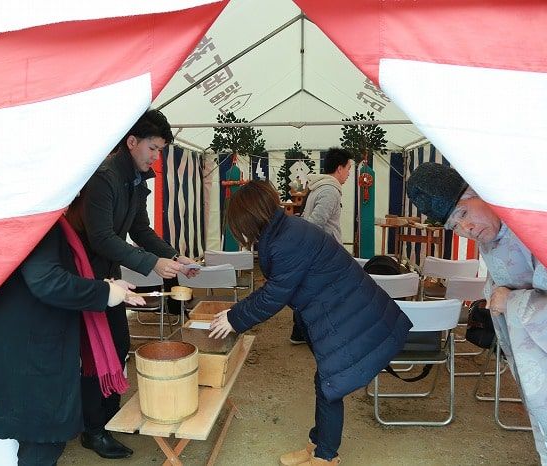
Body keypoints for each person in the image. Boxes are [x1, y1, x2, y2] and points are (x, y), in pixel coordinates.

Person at [209, 180, 412, 466]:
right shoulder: (286, 230)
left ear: (249, 218)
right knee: (327, 382)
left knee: (331, 384)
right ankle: (318, 445)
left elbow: (274, 295)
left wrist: (233, 317)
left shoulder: (286, 240)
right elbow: (279, 287)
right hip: (342, 310)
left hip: (346, 315)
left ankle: (325, 457)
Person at [407, 162, 547, 465]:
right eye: (455, 226)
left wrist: (509, 301)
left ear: (477, 192)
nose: (466, 229)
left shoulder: (531, 226)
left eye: (463, 213)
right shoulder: (494, 235)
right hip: (535, 362)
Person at [0, 207, 145, 466]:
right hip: (29, 352)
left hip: (18, 344)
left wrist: (105, 286)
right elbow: (47, 281)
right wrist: (105, 293)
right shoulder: (38, 217)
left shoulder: (19, 212)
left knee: (36, 445)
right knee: (41, 448)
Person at [78, 109, 198, 458]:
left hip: (110, 276)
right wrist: (151, 264)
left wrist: (174, 258)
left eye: (160, 150)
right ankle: (93, 430)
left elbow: (140, 230)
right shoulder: (104, 178)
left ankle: (109, 417)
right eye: (154, 148)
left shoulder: (135, 179)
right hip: (86, 277)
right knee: (94, 352)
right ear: (132, 142)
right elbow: (100, 237)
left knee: (117, 345)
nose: (156, 156)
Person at [288, 148, 353, 344]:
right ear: (339, 168)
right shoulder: (330, 191)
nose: (349, 173)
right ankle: (313, 333)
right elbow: (316, 223)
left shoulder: (321, 187)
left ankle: (300, 333)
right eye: (348, 168)